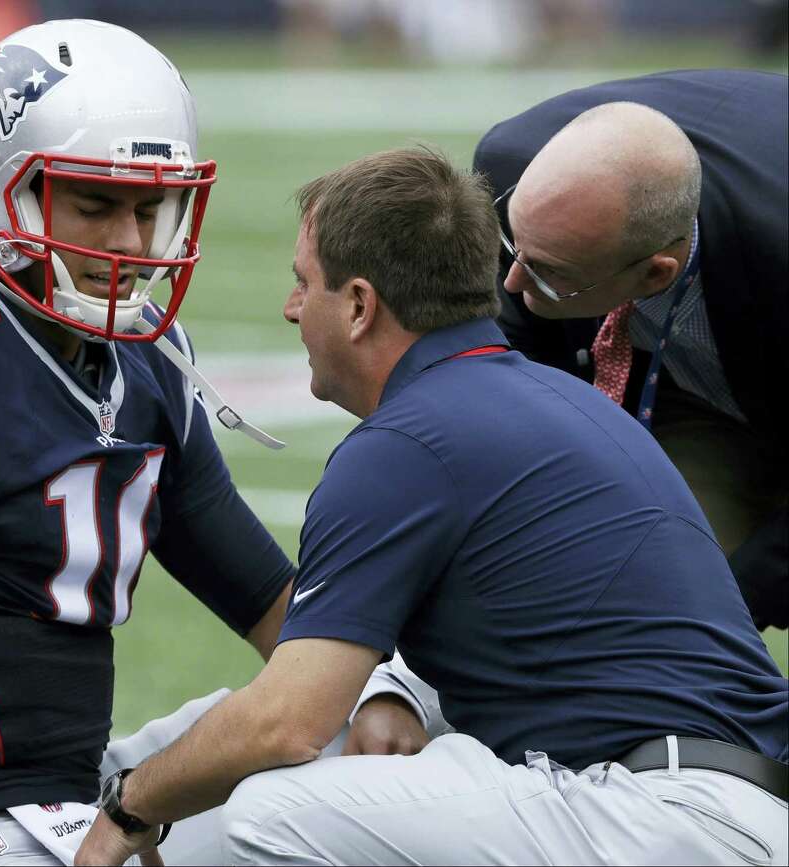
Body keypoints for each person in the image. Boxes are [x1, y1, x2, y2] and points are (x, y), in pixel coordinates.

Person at [0, 19, 415, 867]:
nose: (133, 244)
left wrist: (389, 699)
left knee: (379, 757)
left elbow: (268, 599)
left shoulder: (145, 365)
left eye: (152, 207)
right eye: (97, 204)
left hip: (87, 796)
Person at [74, 147, 789, 866]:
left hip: (666, 817)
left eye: (304, 283)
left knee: (268, 814)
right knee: (287, 748)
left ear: (358, 306)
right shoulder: (559, 400)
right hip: (712, 805)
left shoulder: (405, 442)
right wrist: (399, 695)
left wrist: (131, 803)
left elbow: (286, 720)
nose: (292, 307)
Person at [472, 70, 789, 631]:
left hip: (759, 326)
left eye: (550, 274)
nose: (515, 284)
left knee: (705, 613)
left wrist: (725, 617)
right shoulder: (514, 167)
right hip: (693, 365)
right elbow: (518, 382)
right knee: (633, 589)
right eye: (514, 249)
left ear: (655, 273)